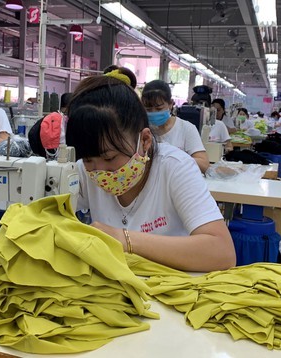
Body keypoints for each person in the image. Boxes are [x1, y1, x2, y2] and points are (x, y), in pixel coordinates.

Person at [65, 75, 235, 272]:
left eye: (110, 158)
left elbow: (222, 252)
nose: (99, 171)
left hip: (170, 288)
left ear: (145, 140)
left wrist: (126, 240)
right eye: (88, 160)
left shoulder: (175, 167)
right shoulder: (83, 173)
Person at [141, 80, 209, 173]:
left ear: (170, 104)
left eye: (159, 108)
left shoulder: (186, 129)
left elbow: (204, 165)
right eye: (148, 109)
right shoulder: (141, 130)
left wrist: (176, 157)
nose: (154, 113)